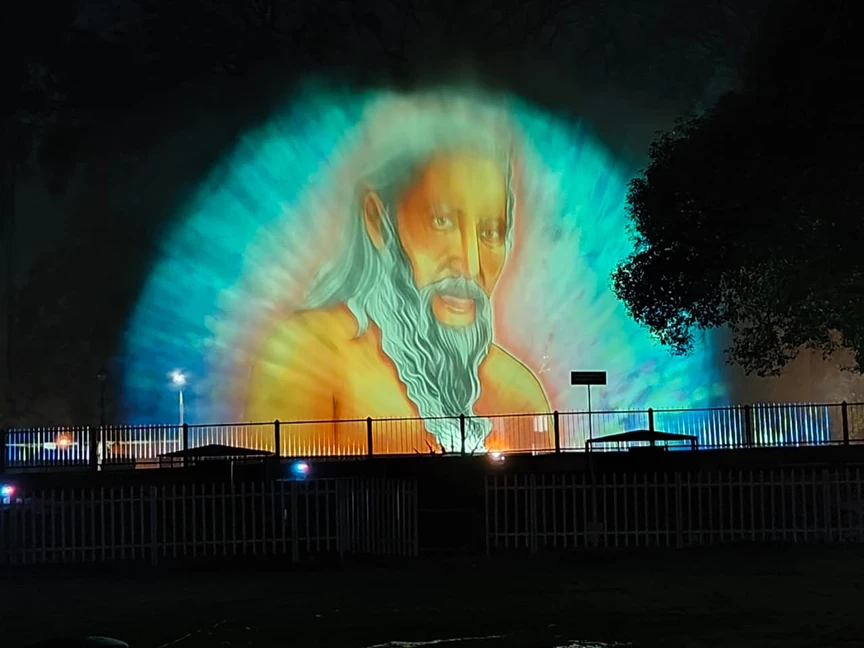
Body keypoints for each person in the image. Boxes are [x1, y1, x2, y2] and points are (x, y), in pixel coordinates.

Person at [244, 94, 552, 454]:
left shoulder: (519, 394)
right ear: (378, 220)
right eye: (441, 221)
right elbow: (284, 486)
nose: (470, 265)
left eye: (490, 232)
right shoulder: (307, 357)